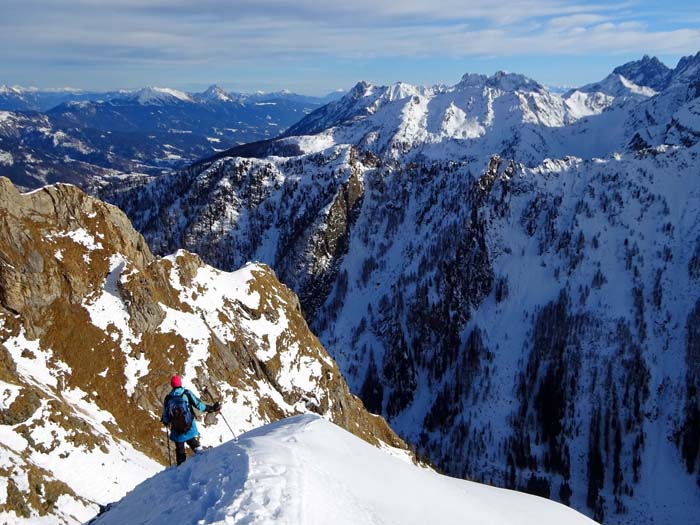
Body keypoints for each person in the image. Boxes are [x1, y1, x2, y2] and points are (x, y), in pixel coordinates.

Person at [161, 375, 220, 465]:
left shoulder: (168, 398)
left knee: (180, 450)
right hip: (189, 426)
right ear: (180, 383)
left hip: (176, 429)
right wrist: (210, 408)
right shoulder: (186, 393)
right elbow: (199, 405)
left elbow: (165, 414)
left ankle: (180, 468)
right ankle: (204, 461)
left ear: (172, 385)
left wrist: (165, 421)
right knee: (192, 442)